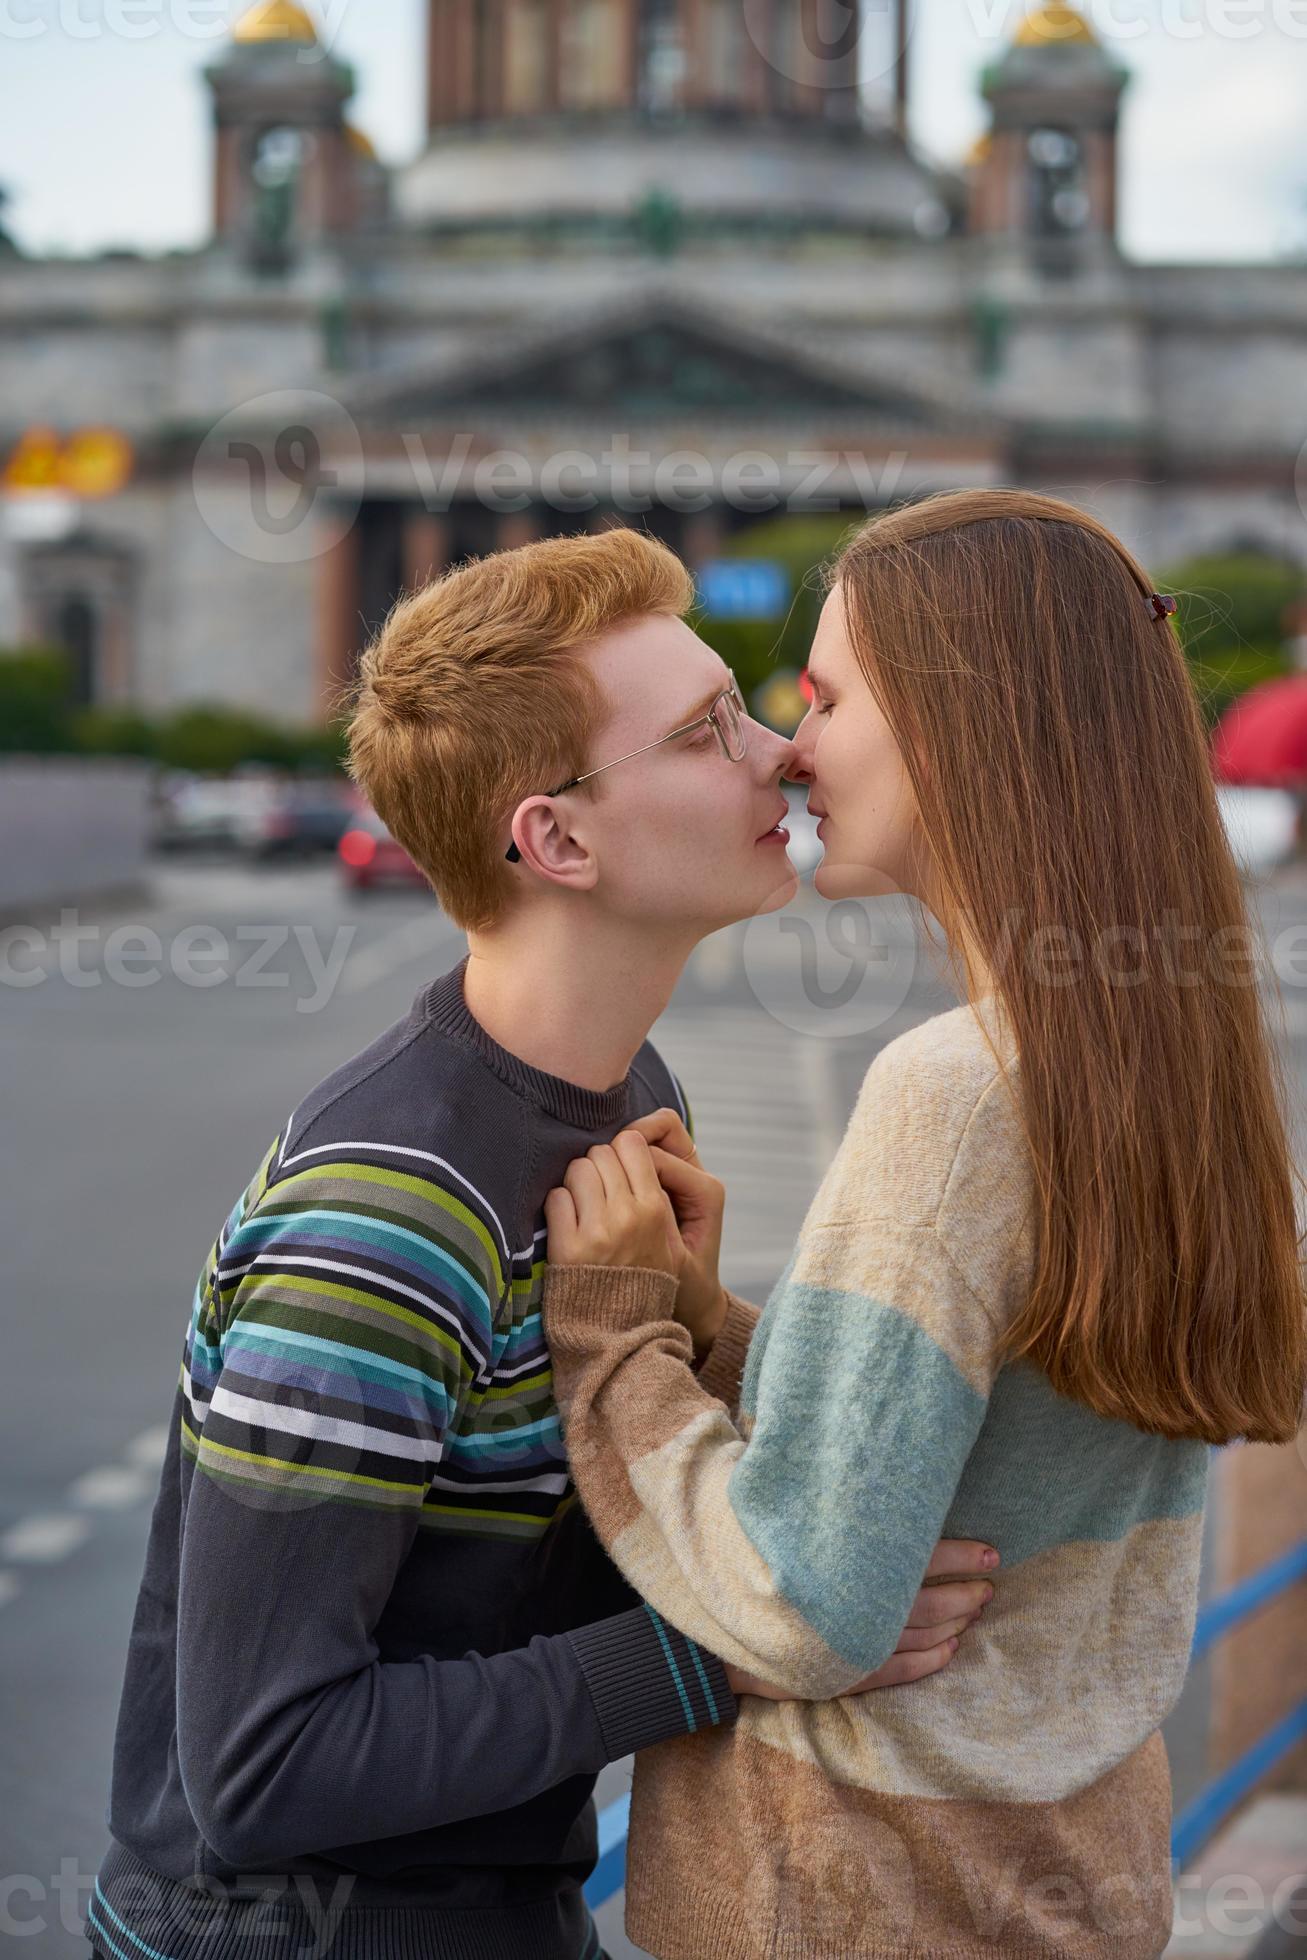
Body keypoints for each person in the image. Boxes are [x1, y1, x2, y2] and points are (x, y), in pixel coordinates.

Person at [86, 528, 997, 1960]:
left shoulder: (630, 1099)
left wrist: (696, 1328)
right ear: (558, 839)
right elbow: (263, 1770)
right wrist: (739, 1653)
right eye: (709, 734)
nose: (780, 756)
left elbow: (575, 1538)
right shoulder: (384, 1219)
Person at [541, 489, 1307, 1960]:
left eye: (825, 697)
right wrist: (720, 1332)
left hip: (854, 1893)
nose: (791, 746)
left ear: (968, 721)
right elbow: (1002, 1443)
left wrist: (617, 1340)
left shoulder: (953, 1094)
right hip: (1067, 1865)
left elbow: (801, 1607)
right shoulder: (1167, 1060)